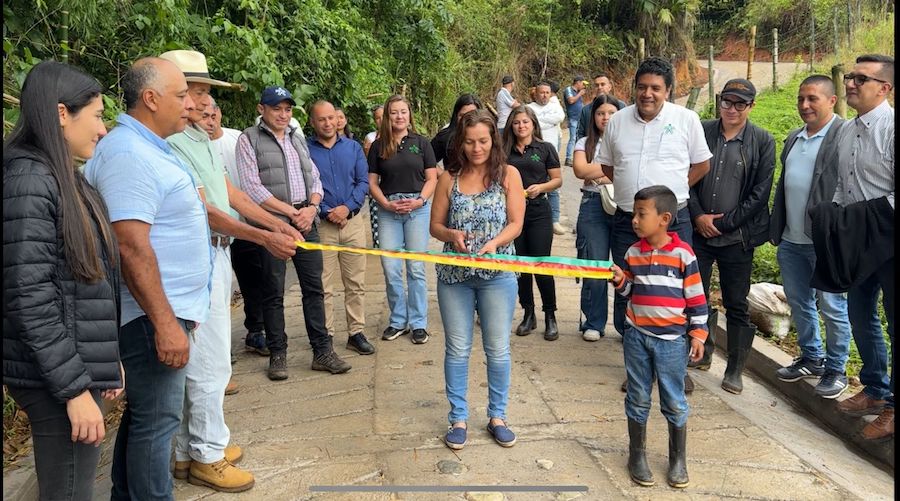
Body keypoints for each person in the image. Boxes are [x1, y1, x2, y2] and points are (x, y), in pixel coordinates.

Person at [160, 49, 301, 491]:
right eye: (195, 92)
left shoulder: (197, 138)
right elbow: (204, 210)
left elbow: (229, 193)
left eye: (206, 92)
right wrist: (263, 236)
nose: (205, 102)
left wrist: (273, 222)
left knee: (210, 355)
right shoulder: (169, 145)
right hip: (196, 257)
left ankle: (190, 449)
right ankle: (207, 454)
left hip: (217, 254)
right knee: (208, 360)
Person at [84, 57, 209, 501]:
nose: (191, 104)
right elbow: (130, 246)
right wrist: (165, 323)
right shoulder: (128, 155)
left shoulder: (149, 147)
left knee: (146, 416)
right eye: (182, 95)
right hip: (149, 315)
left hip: (160, 311)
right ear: (151, 99)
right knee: (157, 423)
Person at [3, 61, 122, 501]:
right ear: (60, 114)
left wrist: (106, 361)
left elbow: (86, 283)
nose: (103, 129)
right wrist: (74, 390)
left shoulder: (60, 174)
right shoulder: (30, 180)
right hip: (56, 378)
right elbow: (28, 297)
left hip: (72, 366)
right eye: (97, 116)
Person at [598, 56, 712, 393]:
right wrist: (634, 201)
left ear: (669, 91)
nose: (648, 94)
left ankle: (676, 367)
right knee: (629, 288)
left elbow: (702, 165)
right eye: (642, 87)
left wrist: (669, 199)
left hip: (673, 222)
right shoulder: (617, 121)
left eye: (656, 88)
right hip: (626, 222)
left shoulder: (686, 119)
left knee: (678, 291)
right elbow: (608, 166)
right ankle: (638, 366)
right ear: (634, 88)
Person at [237, 86, 352, 380]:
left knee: (314, 288)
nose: (283, 115)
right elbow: (252, 188)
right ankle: (277, 354)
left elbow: (314, 178)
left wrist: (312, 208)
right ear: (262, 109)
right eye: (276, 109)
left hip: (305, 222)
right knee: (273, 291)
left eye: (287, 109)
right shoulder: (248, 139)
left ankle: (322, 351)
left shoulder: (296, 138)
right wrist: (290, 213)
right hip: (273, 225)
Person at [430, 109, 525, 450]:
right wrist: (451, 235)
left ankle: (498, 416)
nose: (476, 148)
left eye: (483, 141)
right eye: (469, 142)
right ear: (460, 143)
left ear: (493, 141)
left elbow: (516, 223)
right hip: (454, 275)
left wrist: (495, 243)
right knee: (457, 349)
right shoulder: (448, 178)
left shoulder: (509, 175)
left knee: (497, 349)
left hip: (497, 274)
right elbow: (435, 226)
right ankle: (458, 417)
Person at [610, 185, 708, 489]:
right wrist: (620, 281)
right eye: (634, 214)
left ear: (664, 219)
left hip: (672, 342)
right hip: (636, 336)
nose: (634, 220)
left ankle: (678, 459)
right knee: (638, 396)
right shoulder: (633, 253)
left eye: (642, 214)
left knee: (674, 400)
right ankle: (636, 455)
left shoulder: (683, 254)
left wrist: (698, 334)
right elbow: (630, 292)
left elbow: (697, 299)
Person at [687, 78, 775, 395]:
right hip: (698, 233)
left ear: (751, 106)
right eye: (727, 101)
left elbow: (760, 193)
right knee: (695, 297)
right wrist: (698, 215)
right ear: (719, 101)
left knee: (736, 302)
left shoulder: (762, 141)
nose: (732, 109)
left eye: (740, 104)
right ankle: (701, 352)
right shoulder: (702, 130)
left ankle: (735, 368)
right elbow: (685, 175)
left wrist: (724, 224)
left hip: (737, 237)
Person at [769, 75, 851, 399]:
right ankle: (812, 357)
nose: (805, 105)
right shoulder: (795, 136)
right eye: (801, 98)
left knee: (832, 306)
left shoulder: (844, 135)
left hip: (826, 241)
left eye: (813, 99)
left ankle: (837, 368)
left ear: (832, 100)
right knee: (799, 301)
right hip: (792, 239)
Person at [831, 54, 894, 440]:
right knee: (859, 312)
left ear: (884, 88)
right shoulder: (847, 130)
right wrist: (838, 221)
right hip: (858, 239)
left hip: (890, 238)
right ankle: (874, 389)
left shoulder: (892, 128)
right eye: (851, 77)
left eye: (860, 79)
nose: (851, 83)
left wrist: (868, 217)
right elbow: (844, 184)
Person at [201, 98, 270, 358]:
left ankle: (256, 330)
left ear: (219, 113)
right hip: (212, 231)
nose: (209, 122)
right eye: (203, 116)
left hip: (244, 223)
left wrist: (268, 224)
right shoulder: (191, 145)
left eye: (213, 115)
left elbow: (244, 186)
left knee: (252, 279)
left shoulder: (237, 139)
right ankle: (216, 349)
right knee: (216, 290)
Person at [368, 94, 438, 344]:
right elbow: (372, 182)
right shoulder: (378, 146)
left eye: (403, 111)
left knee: (416, 268)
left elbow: (432, 178)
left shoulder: (422, 143)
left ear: (410, 115)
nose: (399, 116)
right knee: (391, 267)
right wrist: (385, 203)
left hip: (417, 209)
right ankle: (398, 320)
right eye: (394, 112)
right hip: (389, 210)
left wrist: (420, 200)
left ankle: (419, 323)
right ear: (387, 117)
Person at [307, 100, 374, 355]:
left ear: (338, 120)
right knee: (323, 284)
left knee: (355, 282)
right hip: (323, 225)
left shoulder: (353, 148)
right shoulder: (305, 150)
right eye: (321, 119)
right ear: (313, 122)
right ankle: (326, 335)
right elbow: (306, 184)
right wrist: (327, 211)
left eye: (331, 118)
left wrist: (347, 208)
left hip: (352, 223)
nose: (327, 123)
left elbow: (362, 181)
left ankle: (356, 332)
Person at [502, 105, 562, 341]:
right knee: (520, 266)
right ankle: (528, 313)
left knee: (541, 264)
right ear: (511, 125)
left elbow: (557, 179)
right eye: (517, 122)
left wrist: (541, 187)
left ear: (533, 124)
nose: (521, 126)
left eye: (525, 122)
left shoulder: (545, 148)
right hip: (512, 213)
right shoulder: (504, 150)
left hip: (538, 211)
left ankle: (550, 315)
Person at [571, 94, 624, 341]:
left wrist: (599, 173)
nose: (606, 117)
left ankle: (625, 325)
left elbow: (632, 167)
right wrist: (615, 170)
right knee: (595, 263)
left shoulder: (627, 139)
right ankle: (593, 321)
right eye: (601, 113)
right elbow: (580, 170)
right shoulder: (584, 142)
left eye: (611, 113)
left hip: (625, 205)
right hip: (593, 204)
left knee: (625, 266)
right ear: (593, 117)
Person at [432, 93, 483, 170]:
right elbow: (427, 160)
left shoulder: (489, 135)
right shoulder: (445, 137)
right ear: (456, 116)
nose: (467, 119)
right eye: (462, 115)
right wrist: (443, 175)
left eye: (472, 115)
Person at [576, 72, 626, 140]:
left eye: (603, 84)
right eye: (597, 85)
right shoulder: (586, 110)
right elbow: (580, 134)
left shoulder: (621, 106)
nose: (599, 87)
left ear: (609, 87)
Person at [364, 104, 385, 248]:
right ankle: (378, 245)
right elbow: (369, 163)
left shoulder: (400, 135)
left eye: (383, 116)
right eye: (377, 118)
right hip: (376, 182)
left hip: (393, 182)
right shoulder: (370, 137)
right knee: (376, 214)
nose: (381, 120)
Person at [563, 74, 587, 166]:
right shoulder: (569, 90)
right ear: (578, 82)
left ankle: (578, 158)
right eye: (583, 84)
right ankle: (568, 158)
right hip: (573, 118)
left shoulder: (577, 92)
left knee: (578, 138)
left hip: (579, 118)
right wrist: (580, 94)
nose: (583, 86)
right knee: (573, 138)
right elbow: (571, 100)